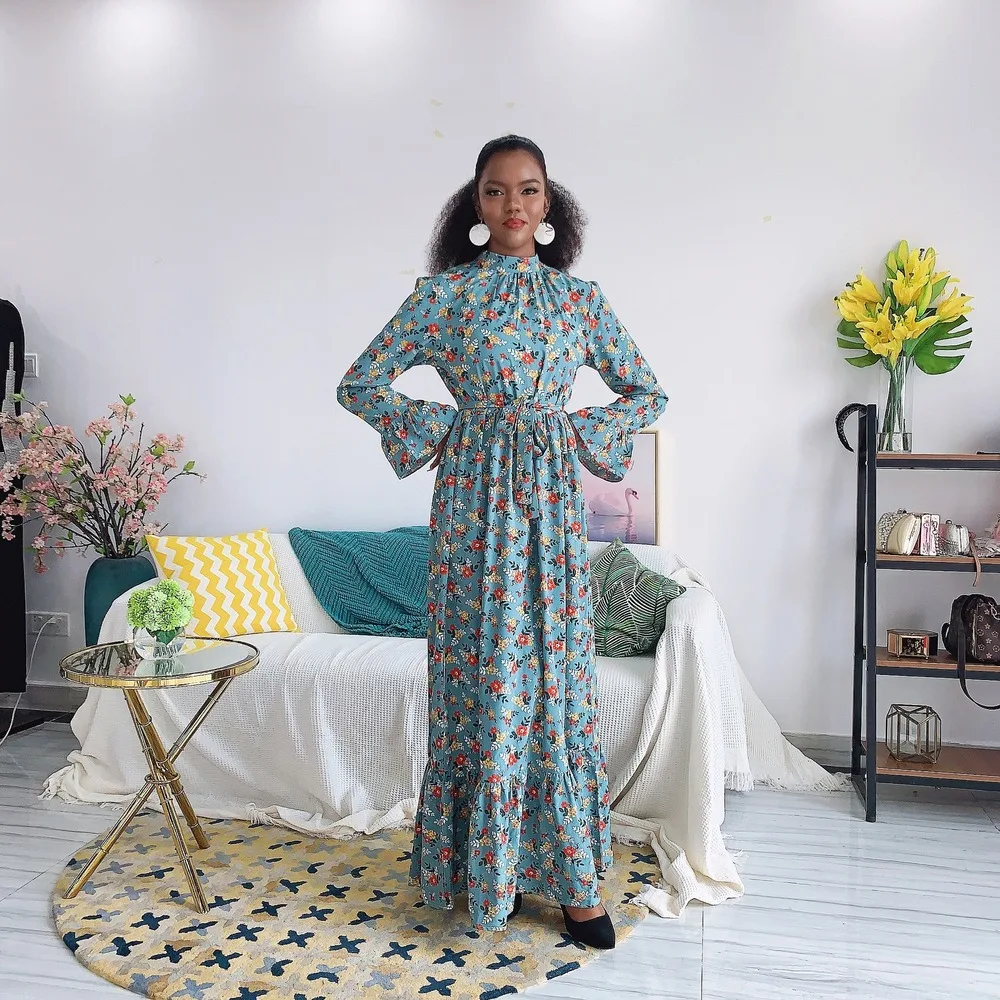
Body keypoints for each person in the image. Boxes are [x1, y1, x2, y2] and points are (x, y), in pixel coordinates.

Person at [337, 135, 667, 947]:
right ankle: (489, 874)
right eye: (495, 190)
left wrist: (574, 430)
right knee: (481, 676)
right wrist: (446, 428)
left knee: (555, 678)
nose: (512, 204)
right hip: (472, 504)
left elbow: (647, 391)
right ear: (475, 204)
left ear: (549, 203)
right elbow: (360, 382)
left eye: (527, 189)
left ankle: (574, 884)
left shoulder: (579, 301)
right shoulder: (444, 297)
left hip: (550, 504)